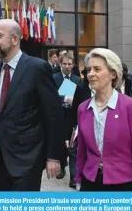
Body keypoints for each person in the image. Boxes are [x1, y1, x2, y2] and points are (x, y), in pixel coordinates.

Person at [0, 19, 65, 191]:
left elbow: (53, 115)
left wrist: (53, 157)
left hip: (27, 161)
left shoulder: (37, 68)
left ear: (14, 39)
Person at [75, 48, 132, 191]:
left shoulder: (131, 106)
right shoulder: (83, 108)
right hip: (90, 181)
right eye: (89, 69)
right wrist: (78, 177)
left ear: (113, 74)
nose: (91, 74)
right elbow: (82, 151)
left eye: (97, 69)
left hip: (122, 182)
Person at [53, 53, 82, 187]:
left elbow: (81, 98)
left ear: (73, 65)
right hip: (57, 117)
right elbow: (50, 96)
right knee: (60, 144)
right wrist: (64, 98)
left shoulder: (77, 80)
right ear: (60, 64)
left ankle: (73, 177)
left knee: (72, 147)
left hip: (72, 117)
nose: (67, 66)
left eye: (69, 64)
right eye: (64, 64)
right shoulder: (54, 78)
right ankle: (62, 168)